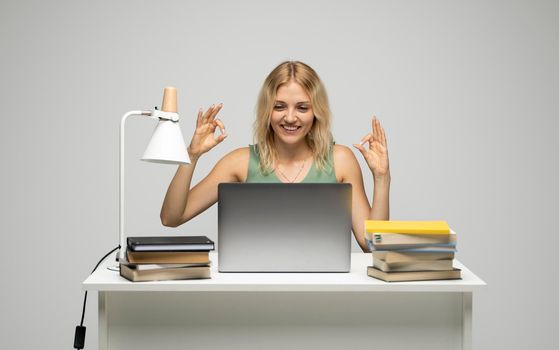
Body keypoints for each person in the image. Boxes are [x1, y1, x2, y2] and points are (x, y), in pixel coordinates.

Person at [160, 61, 390, 252]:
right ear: (267, 110)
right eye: (279, 106)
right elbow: (171, 218)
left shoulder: (341, 160)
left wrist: (381, 178)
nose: (290, 118)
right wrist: (192, 154)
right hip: (253, 291)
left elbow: (372, 246)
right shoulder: (238, 162)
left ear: (316, 112)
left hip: (322, 290)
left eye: (302, 108)